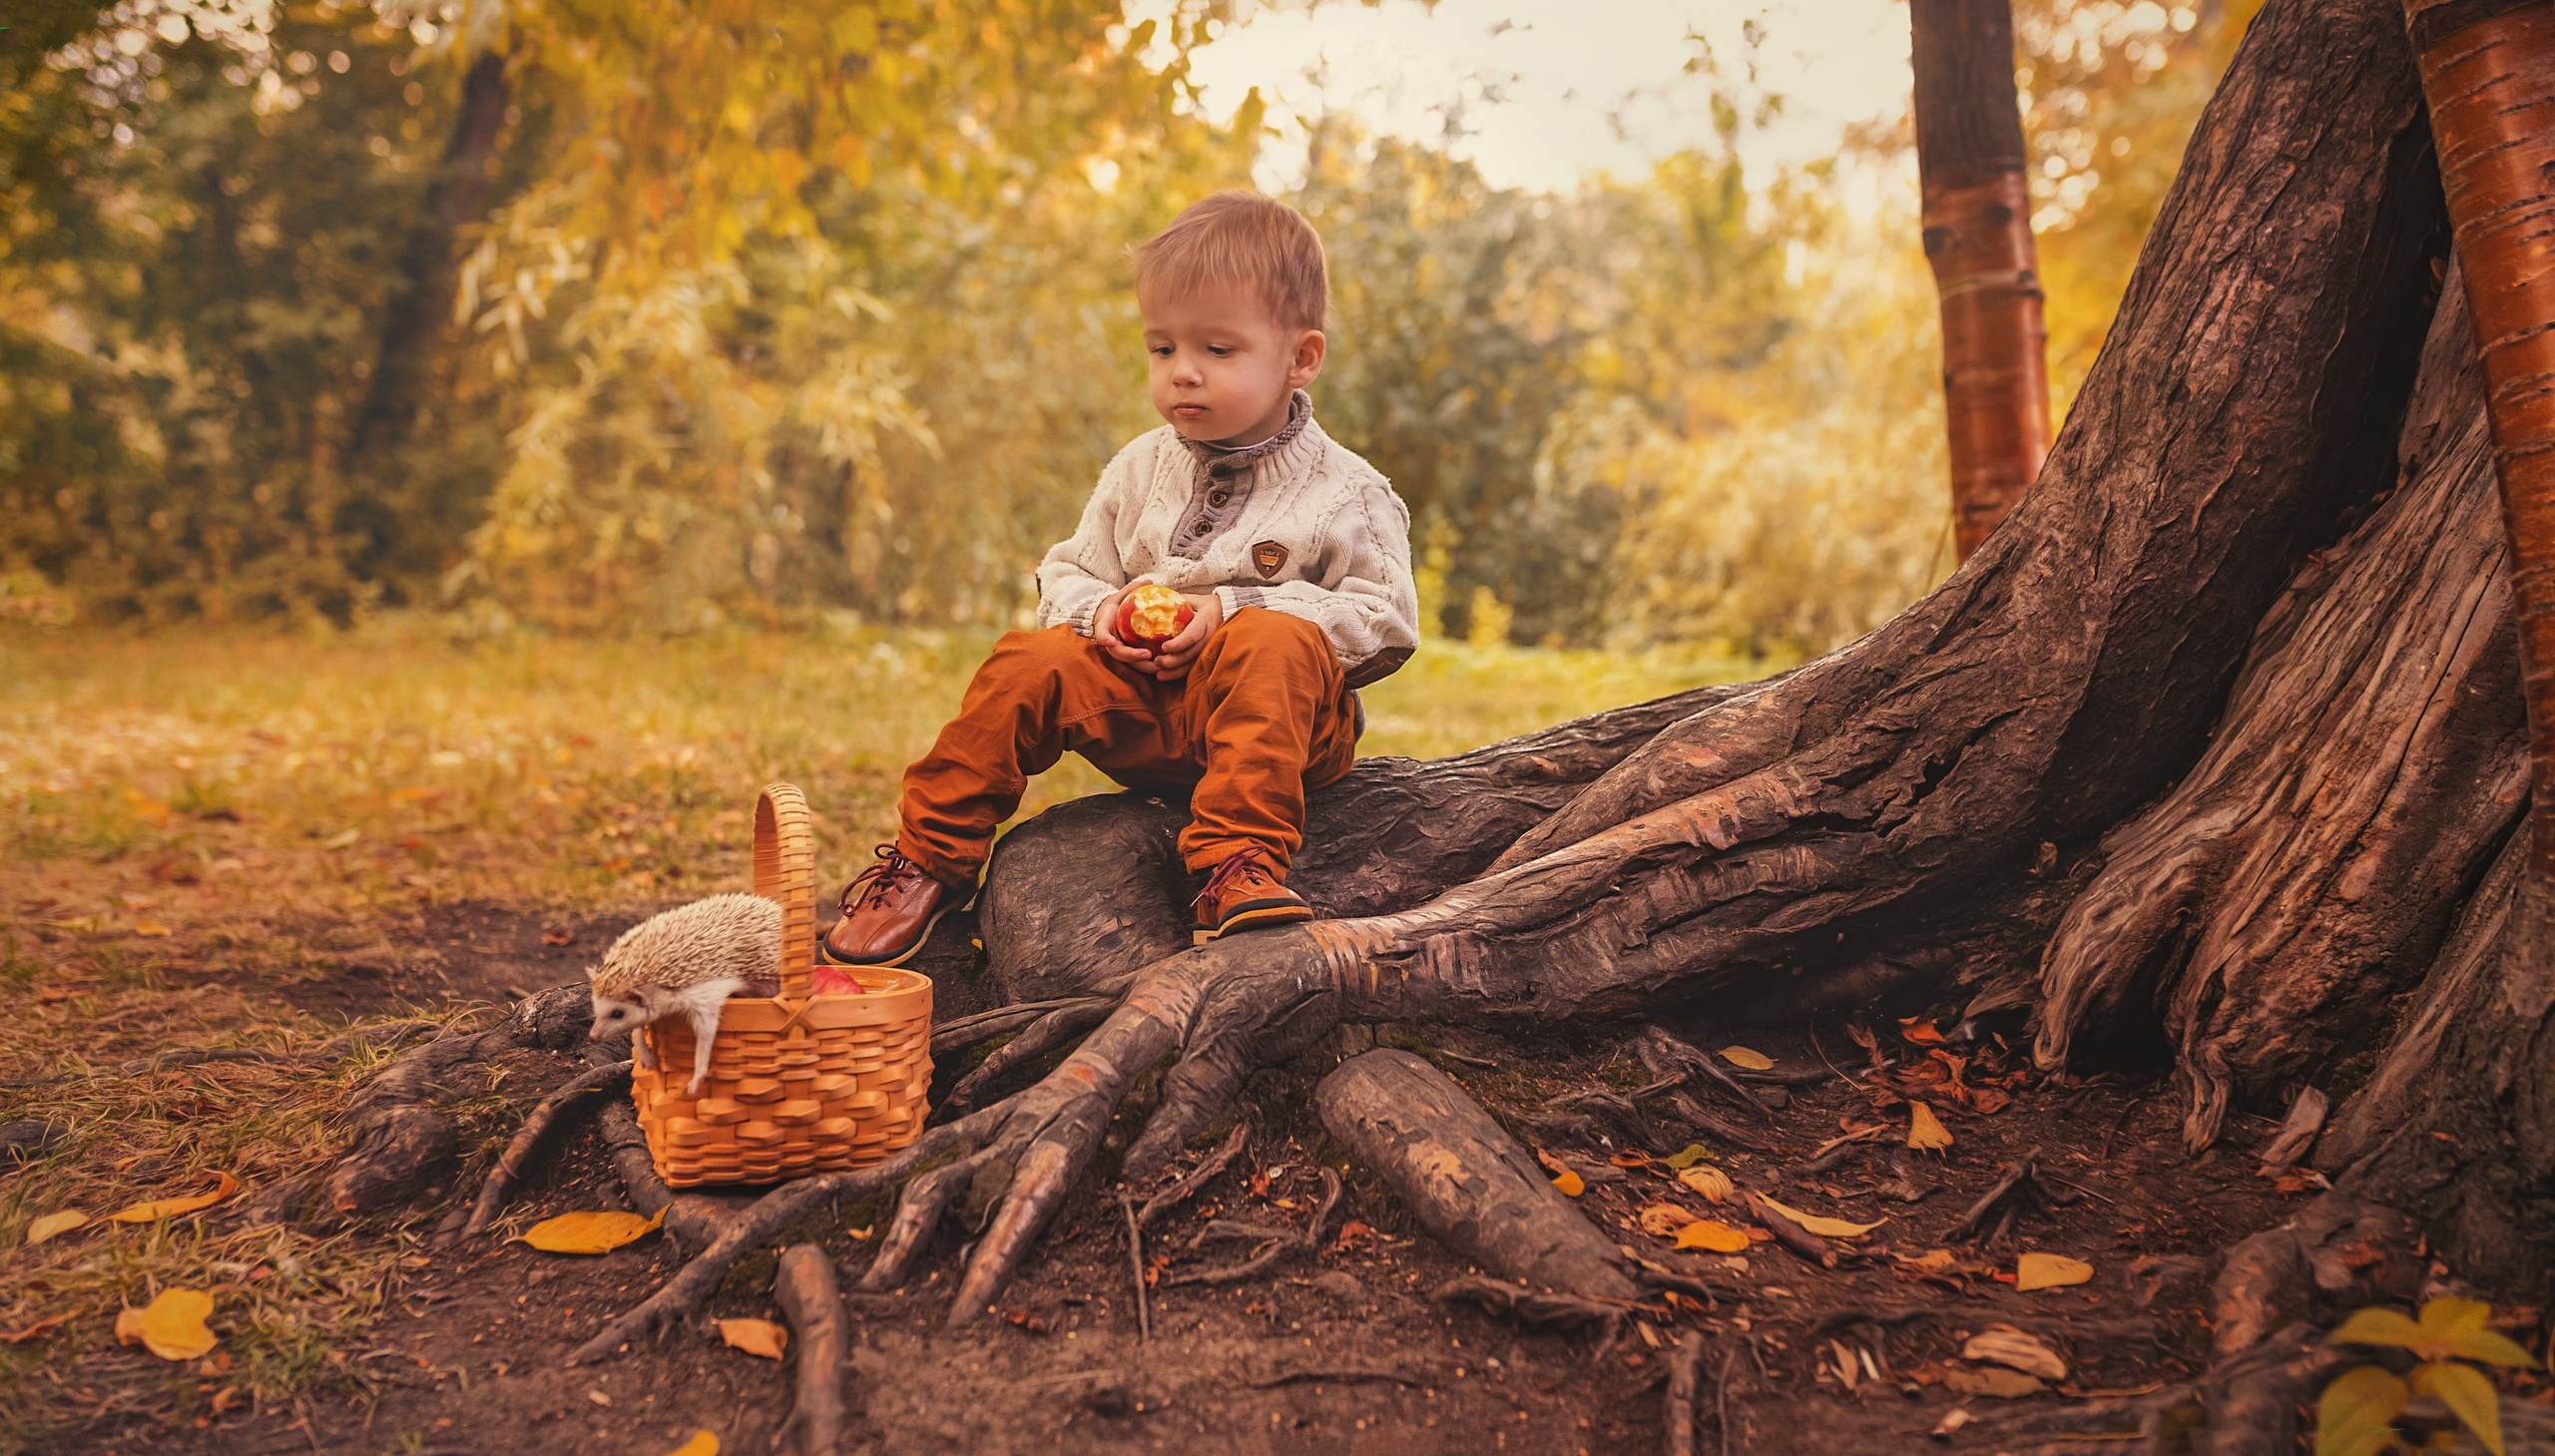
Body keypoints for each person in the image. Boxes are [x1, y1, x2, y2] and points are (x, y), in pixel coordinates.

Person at [822, 191, 1420, 965]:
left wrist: (1233, 609)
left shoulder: (1348, 493)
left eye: (1217, 350)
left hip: (1284, 729)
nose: (1183, 375)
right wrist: (1104, 610)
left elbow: (1386, 620)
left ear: (1301, 358)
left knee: (1272, 639)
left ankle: (1235, 868)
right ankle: (929, 856)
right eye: (1162, 349)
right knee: (1025, 661)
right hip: (1148, 711)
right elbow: (1068, 571)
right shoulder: (1142, 466)